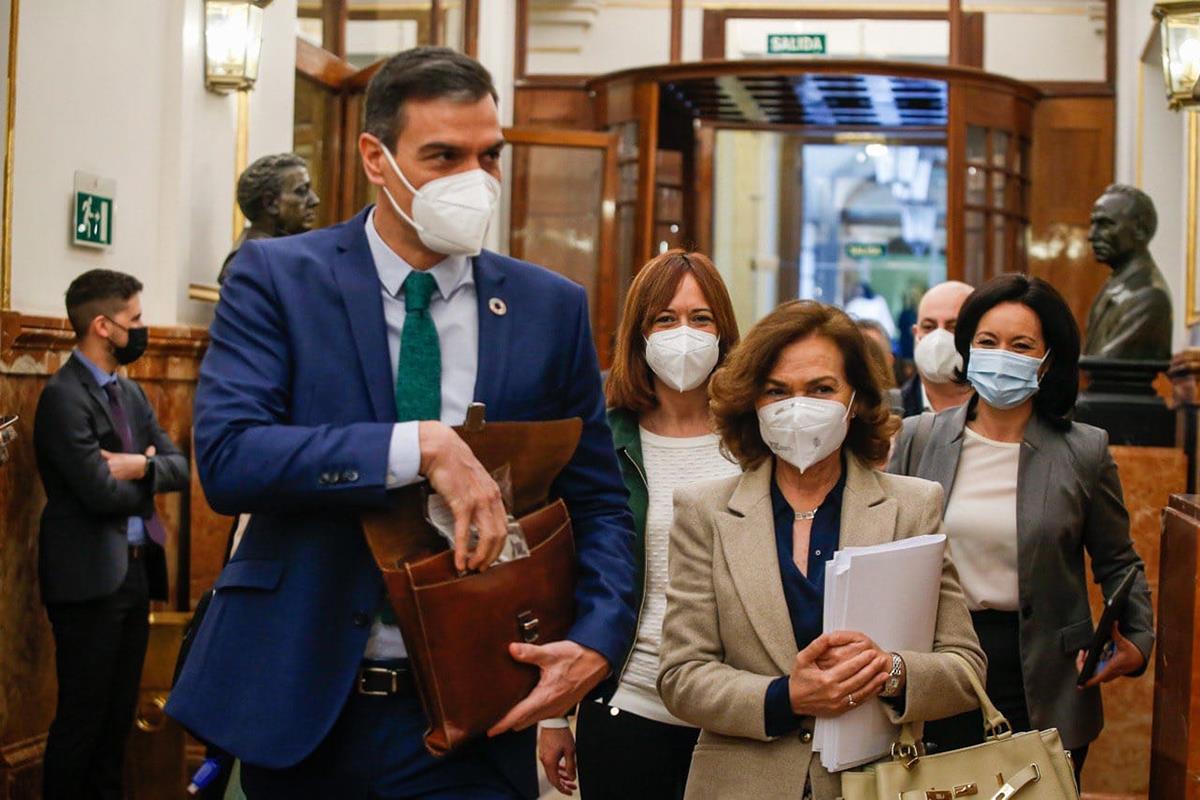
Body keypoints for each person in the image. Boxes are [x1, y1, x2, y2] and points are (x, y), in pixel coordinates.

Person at [167, 47, 637, 799]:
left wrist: (596, 640)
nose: (474, 180)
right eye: (444, 155)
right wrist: (416, 446)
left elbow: (600, 504)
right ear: (375, 159)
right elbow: (229, 459)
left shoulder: (549, 308)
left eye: (490, 156)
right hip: (308, 704)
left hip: (476, 712)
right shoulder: (279, 280)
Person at [657, 300, 985, 800]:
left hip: (875, 783)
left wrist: (890, 672)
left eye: (821, 389)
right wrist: (785, 696)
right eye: (777, 391)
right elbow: (682, 675)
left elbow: (965, 668)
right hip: (741, 784)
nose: (797, 407)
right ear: (753, 403)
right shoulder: (705, 512)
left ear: (855, 401)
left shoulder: (912, 505)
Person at [888, 274, 1154, 784]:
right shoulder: (918, 438)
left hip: (1045, 674)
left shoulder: (1084, 451)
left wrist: (1138, 638)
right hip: (940, 662)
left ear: (1047, 359)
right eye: (988, 342)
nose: (1001, 355)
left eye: (1021, 345)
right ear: (968, 348)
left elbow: (1118, 560)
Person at [537, 250, 741, 799]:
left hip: (740, 709)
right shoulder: (601, 438)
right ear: (639, 333)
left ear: (724, 332)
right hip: (629, 701)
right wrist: (555, 715)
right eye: (665, 319)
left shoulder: (756, 440)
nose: (685, 334)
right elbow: (564, 576)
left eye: (701, 319)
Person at [34, 269, 189, 800]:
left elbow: (179, 467)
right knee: (82, 721)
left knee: (117, 720)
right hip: (87, 580)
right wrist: (143, 472)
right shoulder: (63, 397)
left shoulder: (131, 393)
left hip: (135, 571)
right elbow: (97, 494)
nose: (141, 329)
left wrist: (136, 467)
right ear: (103, 326)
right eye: (135, 320)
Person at [1084, 184, 1171, 360]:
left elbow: (1104, 365)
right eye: (1093, 224)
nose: (1091, 235)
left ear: (1140, 230)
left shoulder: (1149, 297)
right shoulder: (1115, 285)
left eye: (1105, 224)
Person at [218, 152, 321, 283]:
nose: (315, 200)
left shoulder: (277, 256)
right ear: (270, 203)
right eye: (301, 191)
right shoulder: (250, 264)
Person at [899, 280, 974, 418]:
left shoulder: (997, 416)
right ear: (916, 334)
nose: (939, 338)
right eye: (928, 327)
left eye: (953, 327)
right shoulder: (886, 414)